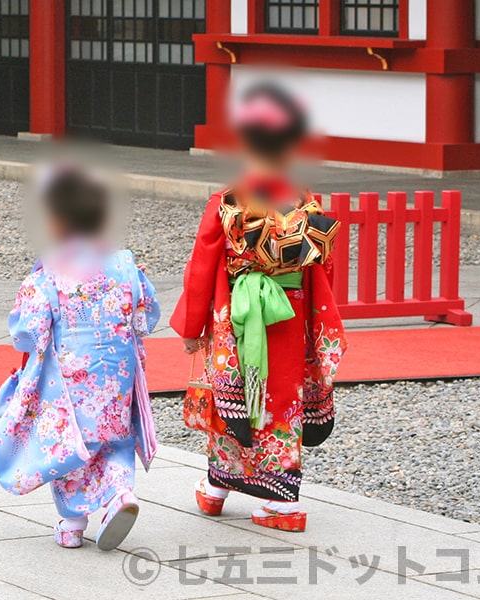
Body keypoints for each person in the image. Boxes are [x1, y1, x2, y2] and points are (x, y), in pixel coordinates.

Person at [170, 83, 346, 532]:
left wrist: (192, 326)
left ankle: (232, 495)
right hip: (289, 313)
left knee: (231, 392)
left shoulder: (228, 200)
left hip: (237, 316)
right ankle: (252, 495)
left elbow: (202, 268)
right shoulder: (305, 201)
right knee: (280, 398)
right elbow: (320, 266)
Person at [0, 167, 161, 550]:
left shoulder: (49, 273)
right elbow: (146, 316)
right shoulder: (125, 265)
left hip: (69, 382)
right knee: (115, 440)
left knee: (70, 446)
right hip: (116, 379)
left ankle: (71, 525)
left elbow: (26, 330)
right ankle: (120, 494)